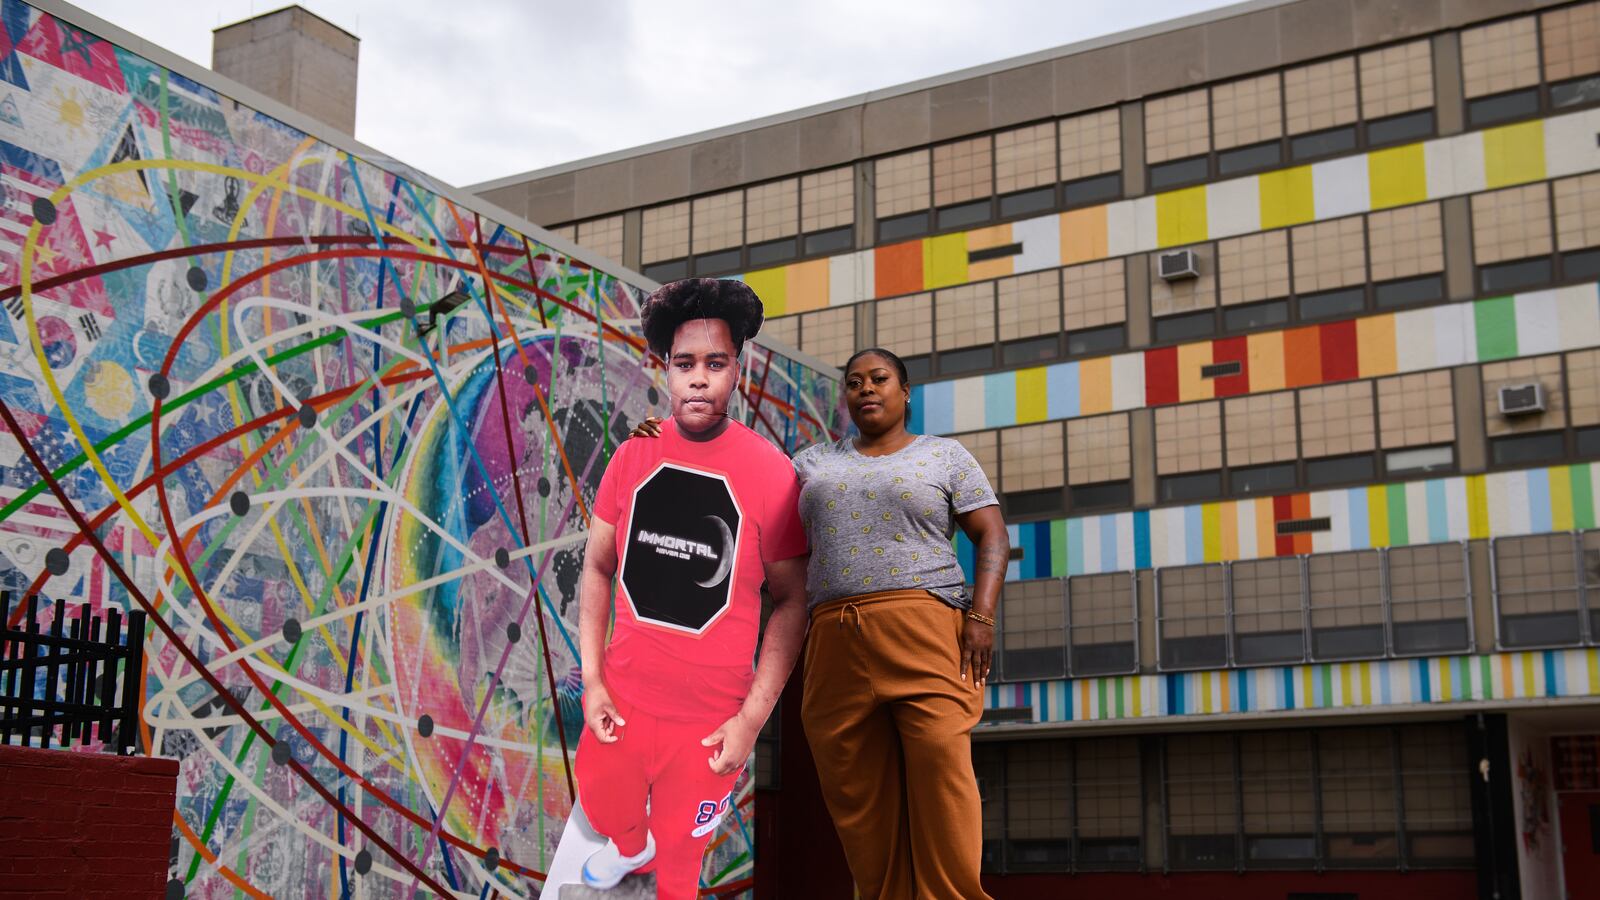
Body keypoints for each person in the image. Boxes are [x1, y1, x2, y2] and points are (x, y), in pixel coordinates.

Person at [629, 346, 1009, 899]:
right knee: (856, 794)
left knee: (942, 775)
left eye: (880, 379)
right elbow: (734, 471)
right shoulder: (810, 464)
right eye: (855, 383)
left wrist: (981, 616)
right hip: (833, 641)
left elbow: (992, 535)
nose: (867, 389)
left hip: (925, 630)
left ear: (906, 393)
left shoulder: (944, 457)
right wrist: (665, 440)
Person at [572, 278, 810, 899]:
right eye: (685, 364)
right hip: (623, 700)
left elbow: (792, 599)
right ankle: (629, 849)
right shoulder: (633, 455)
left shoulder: (772, 473)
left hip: (708, 724)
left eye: (715, 363)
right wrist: (594, 679)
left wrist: (751, 721)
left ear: (739, 370)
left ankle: (662, 860)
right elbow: (597, 566)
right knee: (602, 809)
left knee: (683, 858)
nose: (699, 379)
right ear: (667, 371)